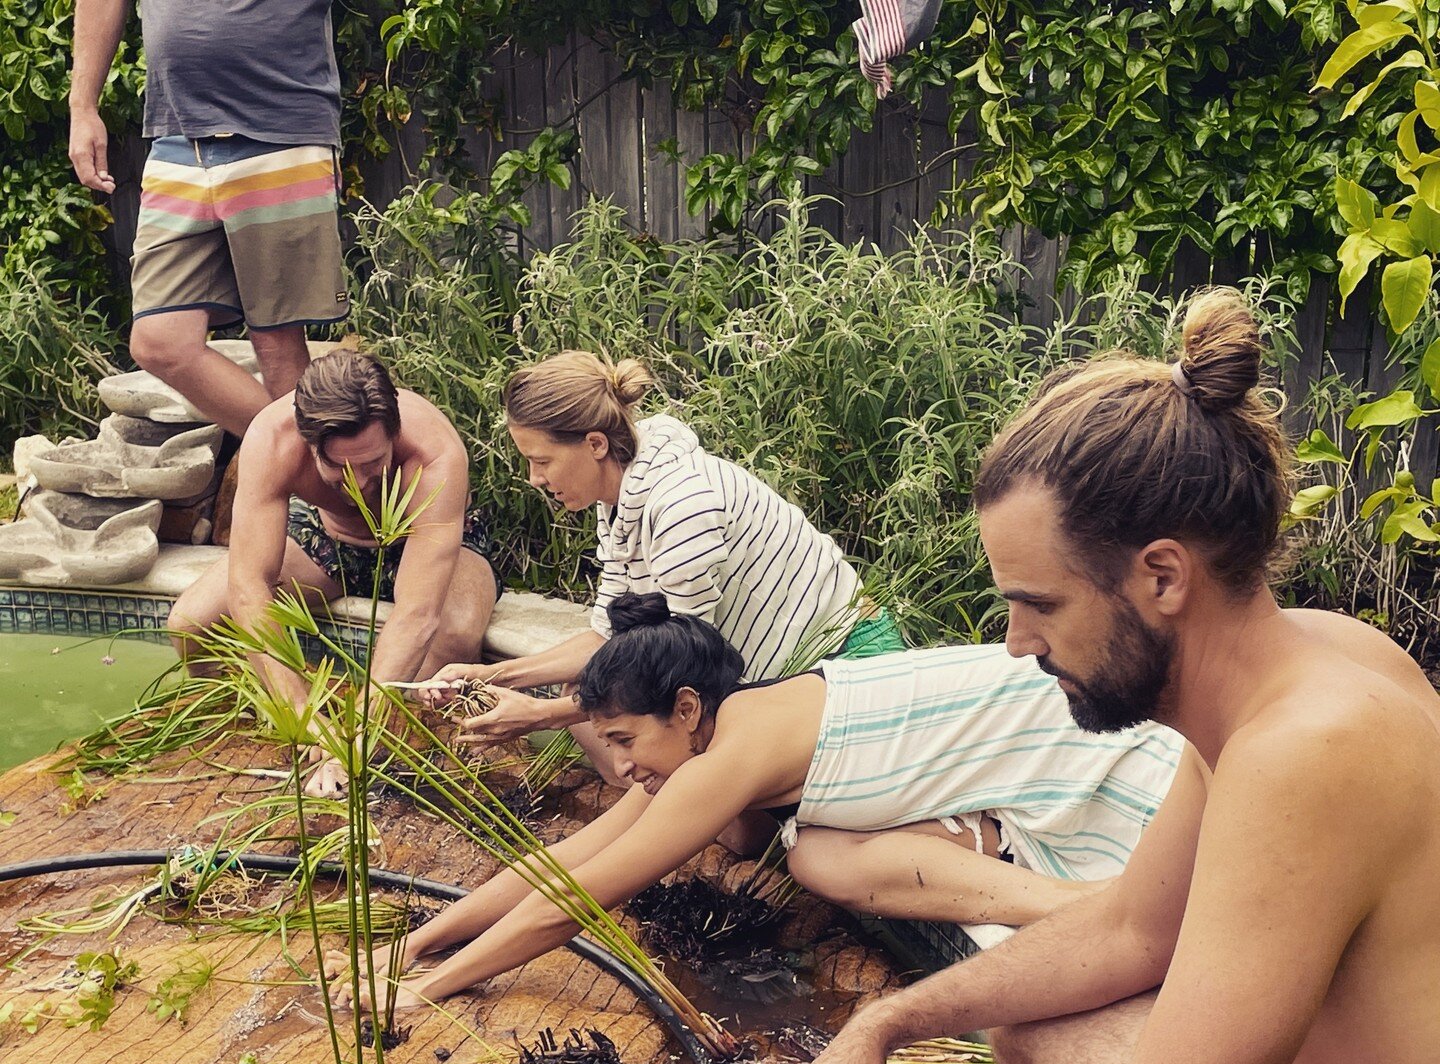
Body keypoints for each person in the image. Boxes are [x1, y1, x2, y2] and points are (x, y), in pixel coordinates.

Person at [773, 291, 1440, 1064]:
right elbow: (1133, 928)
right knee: (1040, 1031)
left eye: (1037, 605)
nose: (1016, 645)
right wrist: (879, 1030)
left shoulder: (1310, 755)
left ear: (1161, 576)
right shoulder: (1312, 660)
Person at [332, 592, 1183, 1010]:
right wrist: (416, 945)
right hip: (1012, 767)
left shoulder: (727, 758)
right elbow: (565, 861)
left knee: (813, 850)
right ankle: (1074, 902)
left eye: (625, 741)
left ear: (688, 709)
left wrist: (427, 993)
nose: (620, 769)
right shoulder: (726, 736)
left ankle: (1095, 904)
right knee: (816, 854)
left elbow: (577, 904)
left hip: (1087, 744)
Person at [419, 352, 904, 782]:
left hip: (843, 665)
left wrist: (542, 715)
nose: (535, 478)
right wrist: (490, 678)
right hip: (756, 672)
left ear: (595, 444)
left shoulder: (682, 506)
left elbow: (684, 665)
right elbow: (608, 636)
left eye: (541, 460)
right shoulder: (620, 502)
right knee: (588, 692)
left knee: (691, 784)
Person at [169, 350, 499, 796]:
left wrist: (354, 730)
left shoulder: (434, 451)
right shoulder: (271, 438)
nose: (362, 483)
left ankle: (405, 767)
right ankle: (257, 741)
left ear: (394, 432)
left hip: (428, 548)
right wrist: (301, 713)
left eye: (372, 464)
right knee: (192, 623)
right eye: (340, 468)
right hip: (331, 541)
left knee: (453, 637)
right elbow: (248, 588)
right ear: (308, 443)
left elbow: (418, 613)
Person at [69, 0, 346, 437]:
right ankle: (319, 478)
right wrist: (82, 106)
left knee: (277, 344)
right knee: (160, 342)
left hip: (281, 129)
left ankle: (313, 493)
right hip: (177, 134)